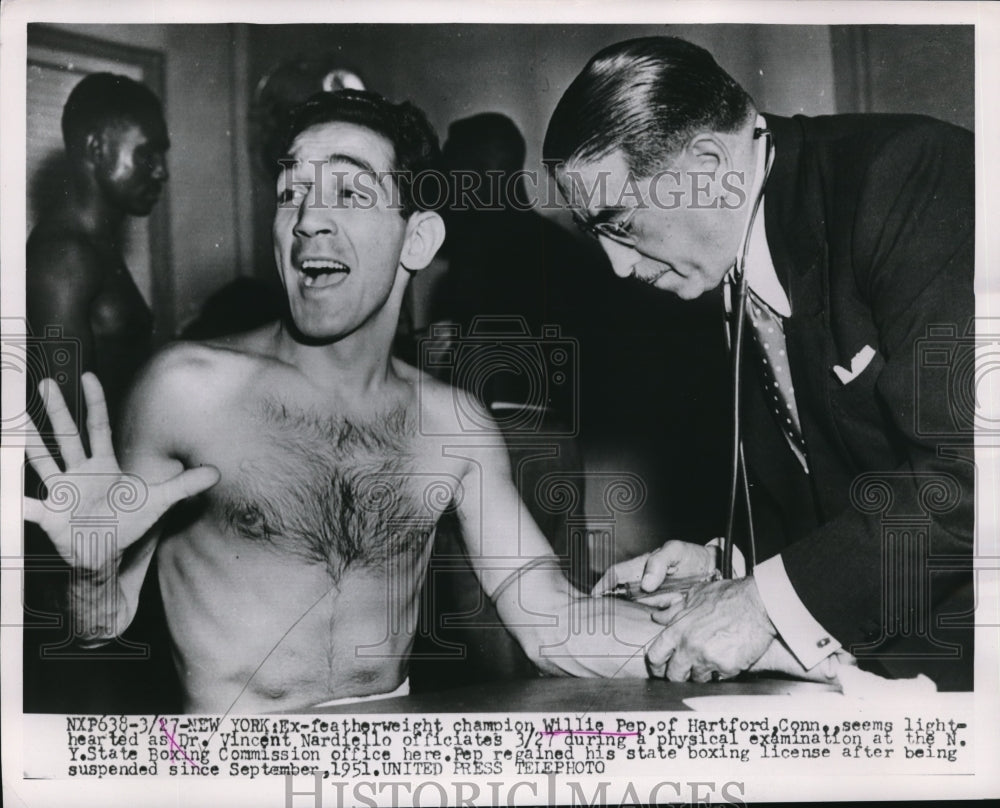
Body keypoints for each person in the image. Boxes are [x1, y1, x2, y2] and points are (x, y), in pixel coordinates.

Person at [24, 90, 725, 714]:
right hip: (236, 777)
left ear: (417, 237)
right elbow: (99, 624)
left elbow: (551, 620)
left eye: (350, 195)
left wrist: (744, 631)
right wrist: (89, 570)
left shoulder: (453, 424)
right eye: (292, 192)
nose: (307, 222)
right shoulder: (186, 390)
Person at [543, 37, 974, 688]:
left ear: (710, 163)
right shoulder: (719, 260)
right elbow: (838, 482)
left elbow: (968, 482)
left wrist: (763, 602)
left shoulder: (906, 174)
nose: (617, 266)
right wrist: (731, 572)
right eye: (593, 235)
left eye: (622, 223)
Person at [27, 72, 169, 423]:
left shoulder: (94, 245)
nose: (162, 172)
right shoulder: (64, 256)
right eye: (147, 154)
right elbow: (63, 429)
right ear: (97, 149)